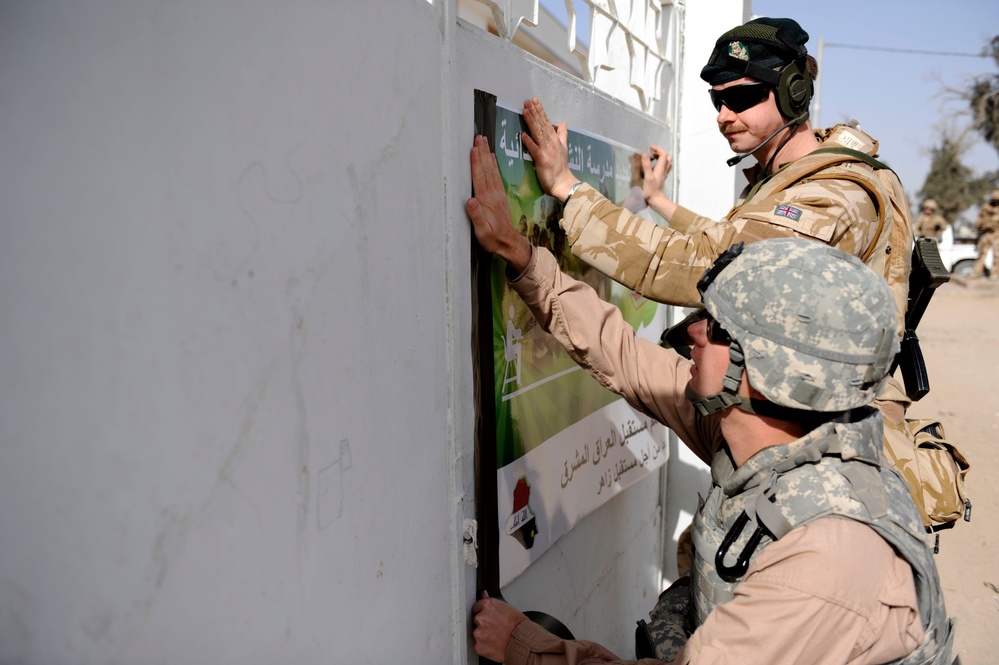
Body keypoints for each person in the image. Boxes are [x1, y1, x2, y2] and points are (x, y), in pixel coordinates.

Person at [465, 137, 953, 664]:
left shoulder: (828, 557)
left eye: (719, 328)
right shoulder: (768, 431)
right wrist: (520, 255)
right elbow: (623, 356)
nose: (693, 332)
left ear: (769, 372)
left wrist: (528, 647)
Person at [518, 17, 912, 340]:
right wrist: (658, 201)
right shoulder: (793, 176)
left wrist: (566, 188)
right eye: (717, 100)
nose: (723, 115)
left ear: (794, 93)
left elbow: (702, 265)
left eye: (741, 98)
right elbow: (732, 241)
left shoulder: (830, 195)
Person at [969, 189, 999, 279]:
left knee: (997, 254)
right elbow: (980, 219)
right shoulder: (986, 207)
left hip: (997, 233)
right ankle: (976, 273)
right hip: (985, 233)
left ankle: (995, 274)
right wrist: (978, 229)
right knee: (981, 253)